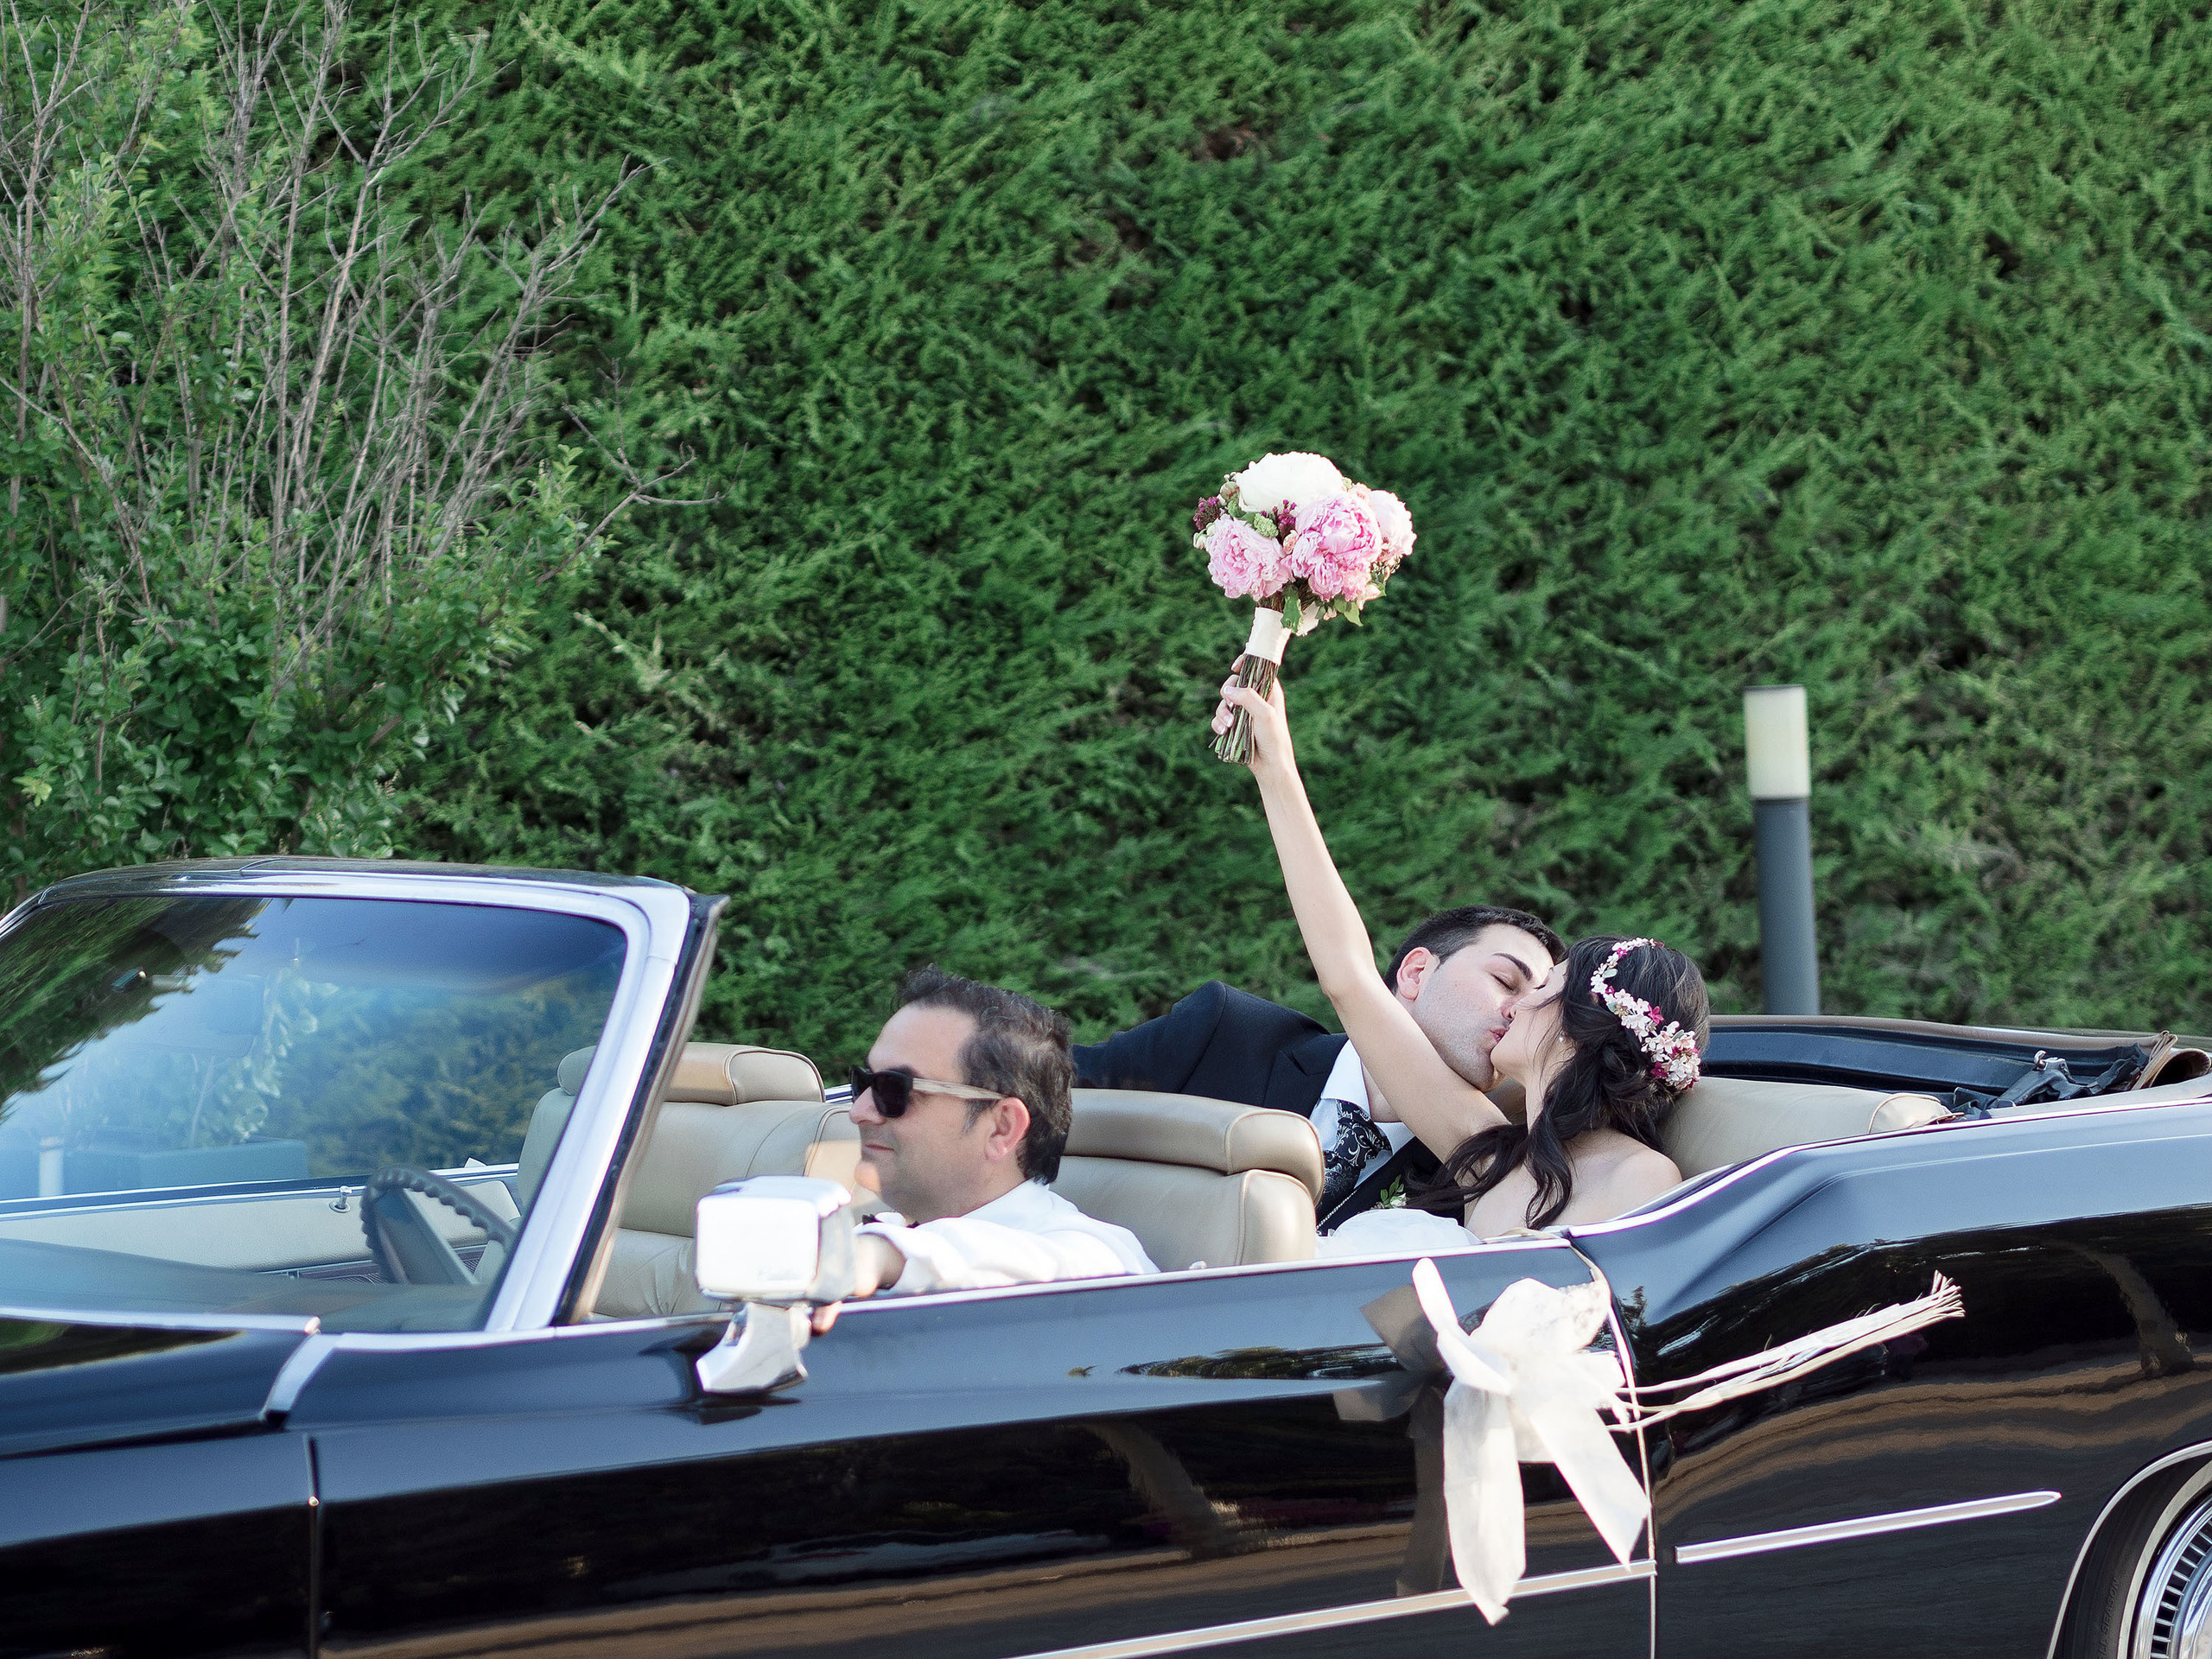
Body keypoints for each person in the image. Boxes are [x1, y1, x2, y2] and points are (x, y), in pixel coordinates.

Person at [1212, 676, 1704, 1237]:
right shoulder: (1486, 1154)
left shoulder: (1640, 1177)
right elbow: (1349, 978)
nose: (1516, 1006)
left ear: (1579, 1025)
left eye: (1545, 987)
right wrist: (1276, 771)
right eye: (1513, 983)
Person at [1074, 905, 1563, 1229]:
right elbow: (1052, 1097)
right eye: (1505, 980)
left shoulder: (1472, 1184)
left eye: (1539, 1003)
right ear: (1416, 973)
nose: (1520, 1011)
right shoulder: (1227, 1032)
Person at [831, 969, 1157, 1314]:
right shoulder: (891, 1235)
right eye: (862, 1083)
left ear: (1002, 1128)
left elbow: (1055, 1267)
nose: (860, 1111)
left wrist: (877, 1255)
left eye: (893, 1089)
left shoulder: (1093, 1258)